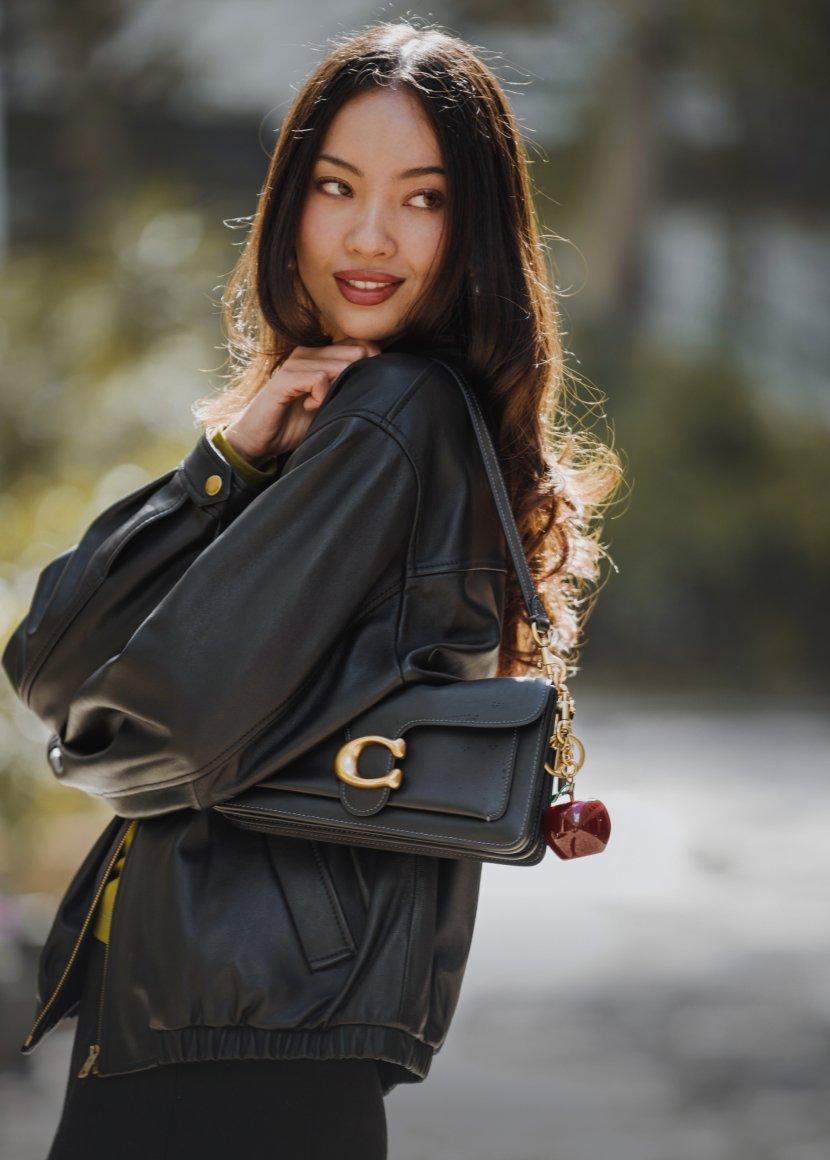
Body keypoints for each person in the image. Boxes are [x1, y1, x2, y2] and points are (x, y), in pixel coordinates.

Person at [2, 19, 622, 1160]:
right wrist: (224, 459)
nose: (370, 234)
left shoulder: (387, 417)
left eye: (422, 198)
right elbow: (48, 656)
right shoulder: (355, 422)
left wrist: (86, 752)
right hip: (257, 1027)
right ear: (290, 203)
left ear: (473, 227)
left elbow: (148, 724)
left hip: (231, 1037)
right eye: (336, 186)